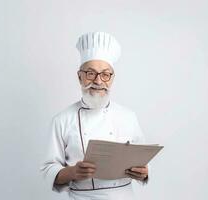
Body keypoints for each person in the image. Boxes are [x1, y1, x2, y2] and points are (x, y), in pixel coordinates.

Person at [40, 32, 149, 200]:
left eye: (105, 74)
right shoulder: (62, 120)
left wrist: (144, 172)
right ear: (79, 77)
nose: (98, 81)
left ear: (112, 78)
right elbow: (48, 169)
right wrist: (72, 172)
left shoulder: (129, 116)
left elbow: (143, 158)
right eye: (91, 73)